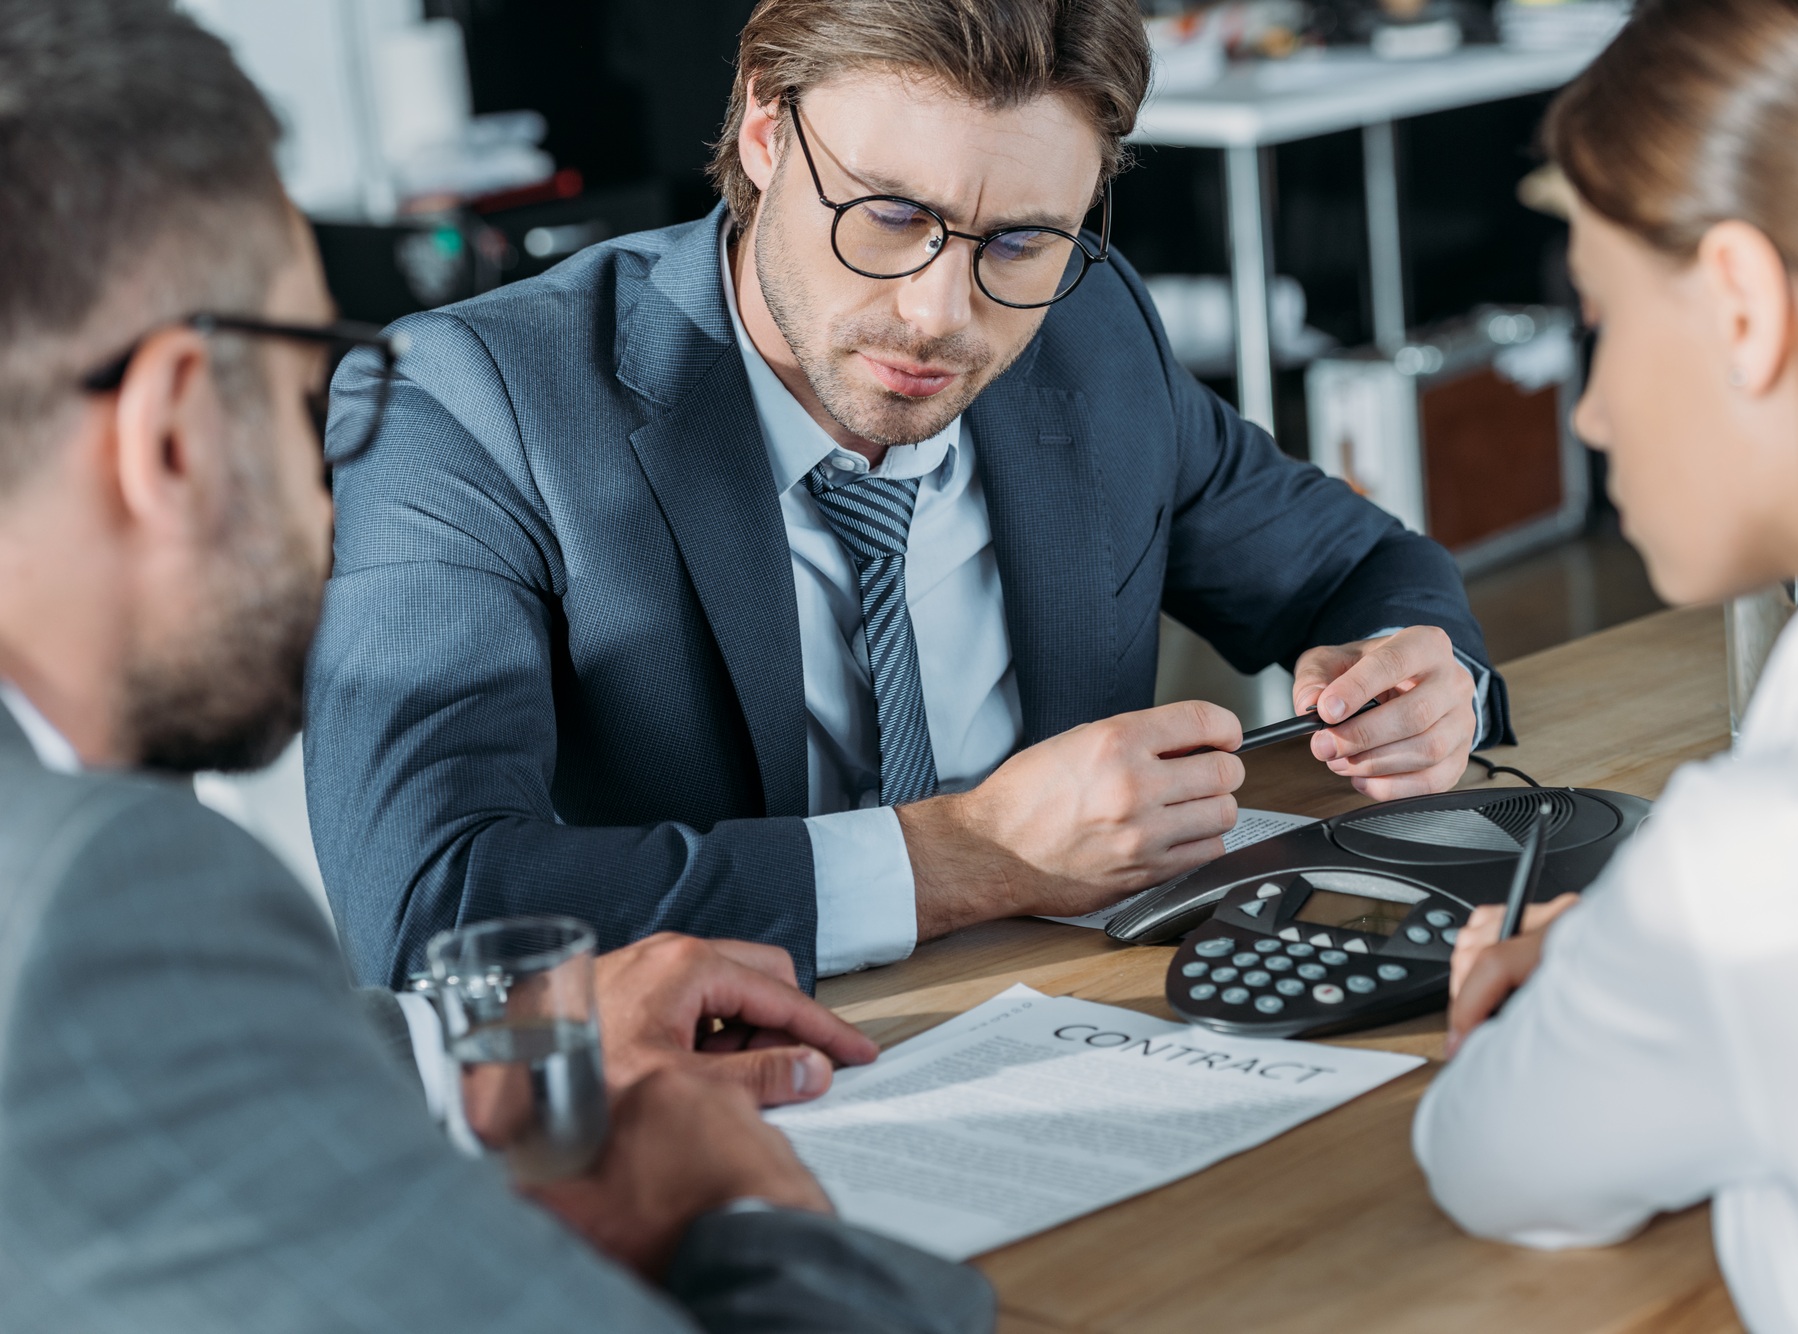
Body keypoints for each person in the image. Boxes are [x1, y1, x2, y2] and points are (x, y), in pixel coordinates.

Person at [0, 4, 992, 1329]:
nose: (322, 485)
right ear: (175, 425)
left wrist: (476, 1052)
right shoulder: (92, 893)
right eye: (314, 388)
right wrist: (738, 1211)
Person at [304, 0, 1513, 992]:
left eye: (1021, 241)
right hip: (705, 1097)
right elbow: (429, 904)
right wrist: (967, 857)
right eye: (888, 216)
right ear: (767, 134)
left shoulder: (1087, 325)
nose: (942, 316)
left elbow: (1356, 569)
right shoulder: (471, 400)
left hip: (1090, 1023)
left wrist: (1426, 678)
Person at [1415, 0, 1798, 1328]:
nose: (1592, 407)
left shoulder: (1784, 850)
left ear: (1743, 304)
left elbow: (1501, 1164)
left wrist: (1585, 995)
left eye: (1604, 317)